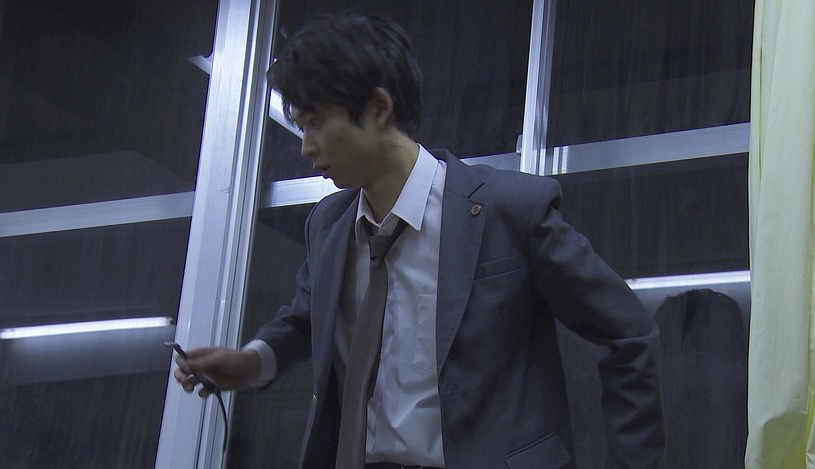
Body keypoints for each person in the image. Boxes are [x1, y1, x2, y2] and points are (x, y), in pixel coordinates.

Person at [174, 12, 664, 469]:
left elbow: (627, 333)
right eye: (301, 127)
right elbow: (306, 319)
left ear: (378, 107)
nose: (304, 147)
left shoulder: (508, 210)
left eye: (316, 122)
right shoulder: (329, 224)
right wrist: (253, 362)